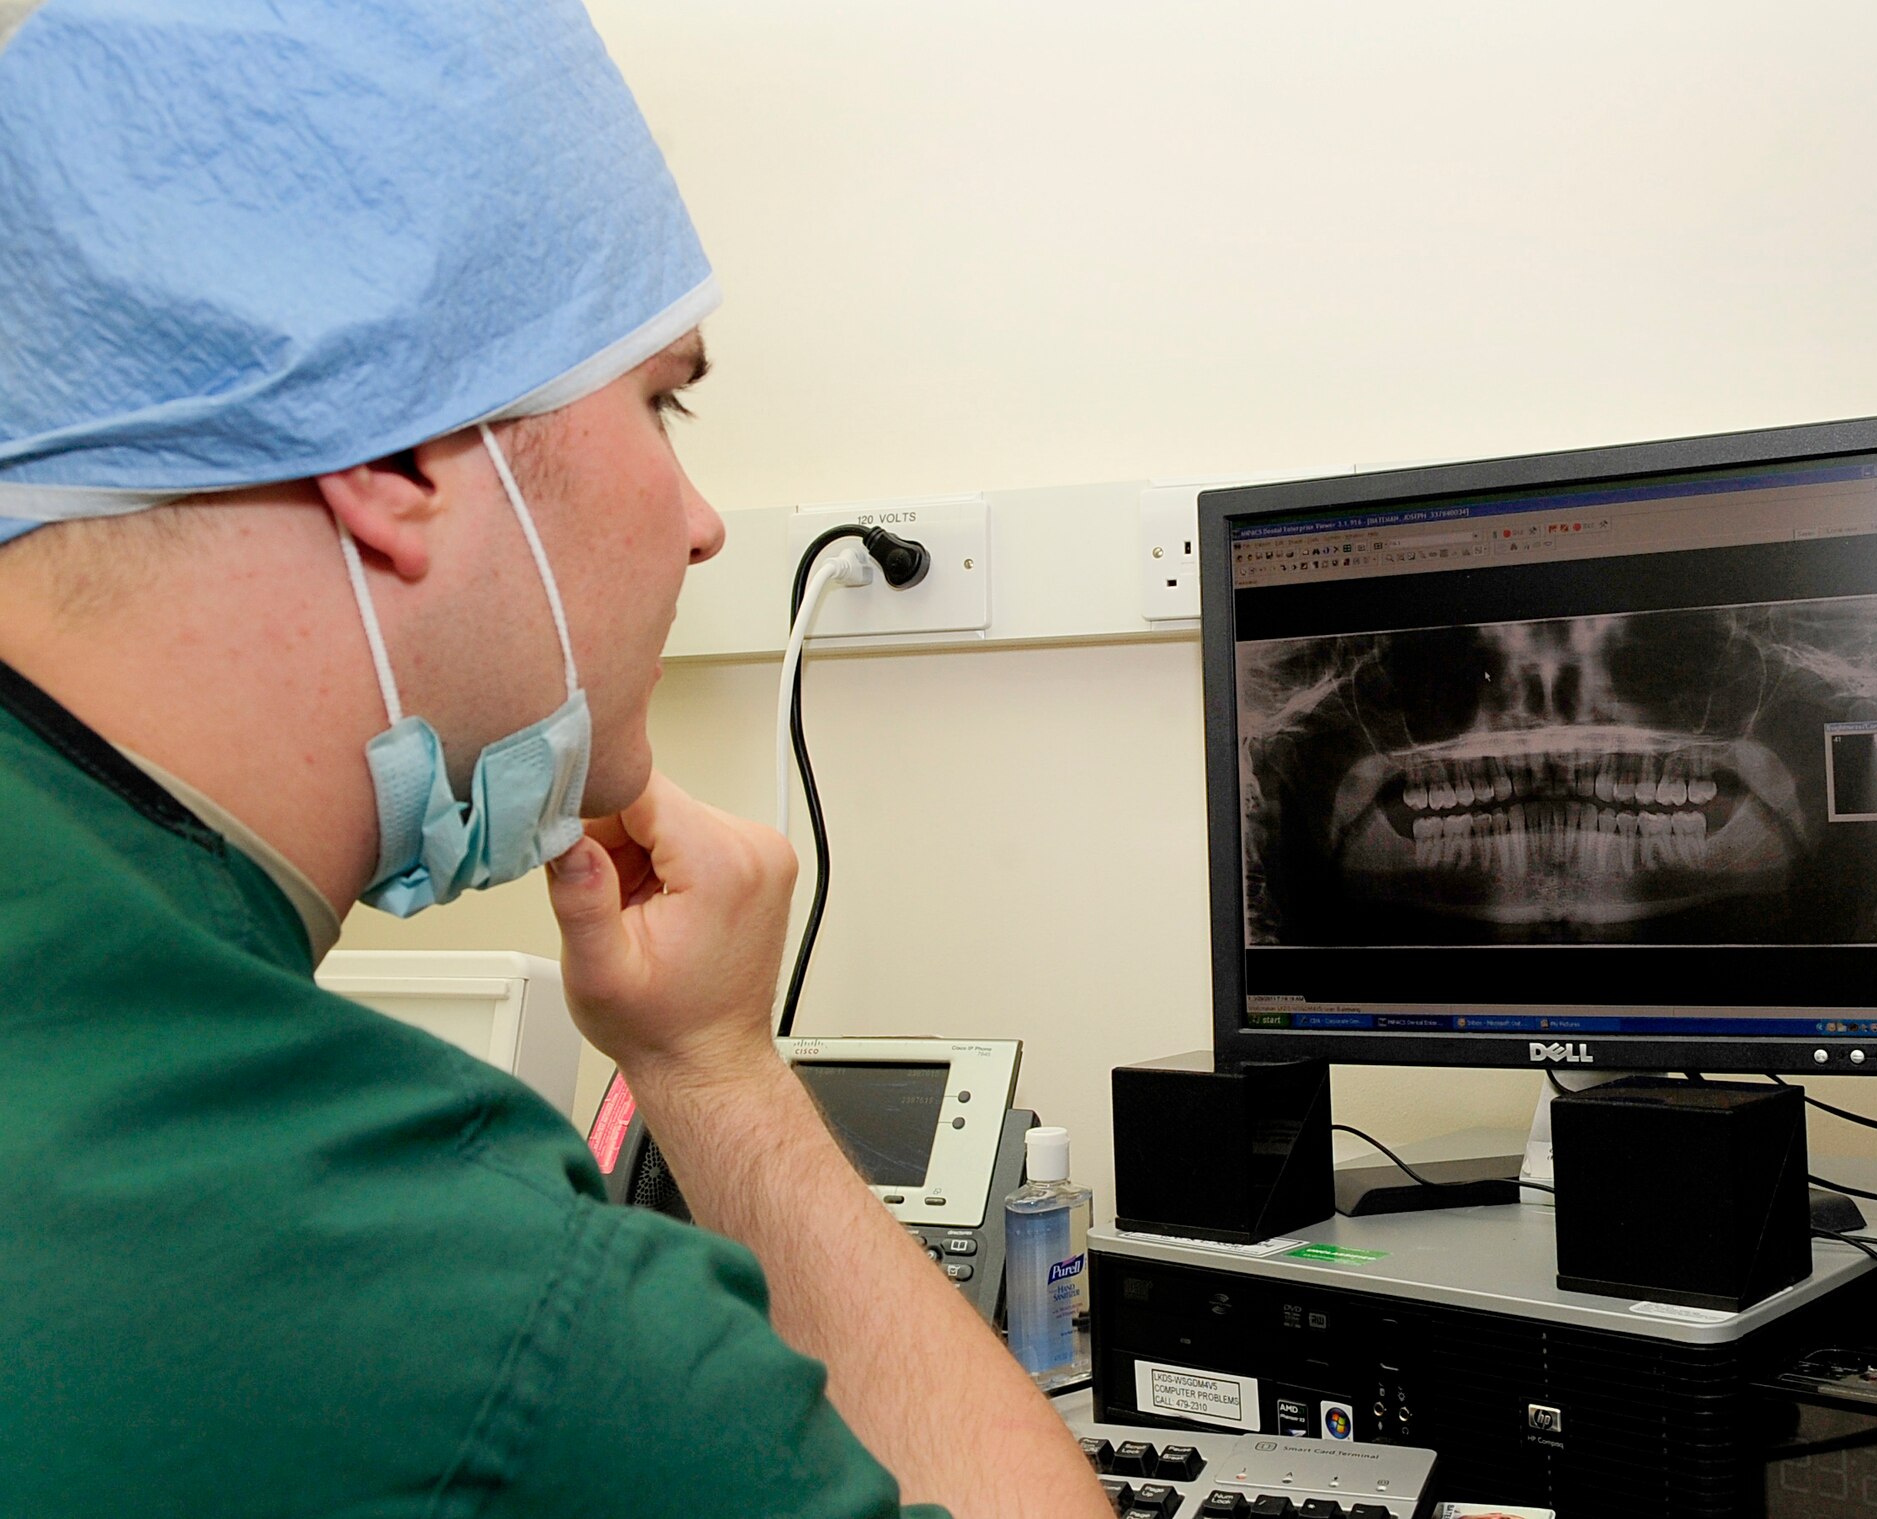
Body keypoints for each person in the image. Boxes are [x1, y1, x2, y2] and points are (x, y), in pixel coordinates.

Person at [0, 4, 1106, 1516]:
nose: (703, 520)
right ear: (393, 457)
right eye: (665, 400)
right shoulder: (421, 1266)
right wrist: (717, 1065)